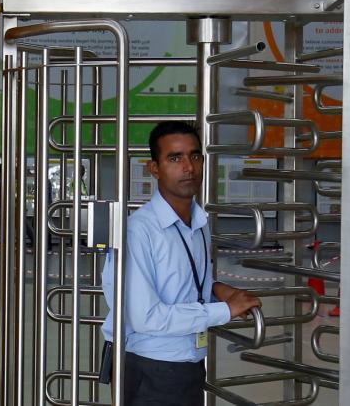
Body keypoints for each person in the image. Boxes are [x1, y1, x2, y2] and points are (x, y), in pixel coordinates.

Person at [101, 121, 260, 406]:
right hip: (151, 369)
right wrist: (224, 310)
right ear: (154, 168)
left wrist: (218, 289)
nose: (188, 167)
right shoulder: (138, 231)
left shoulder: (198, 222)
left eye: (194, 156)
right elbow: (145, 317)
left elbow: (187, 284)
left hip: (190, 364)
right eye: (175, 158)